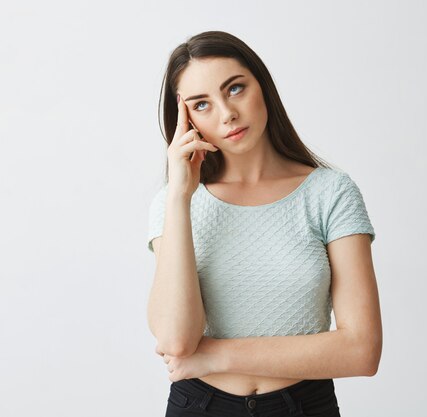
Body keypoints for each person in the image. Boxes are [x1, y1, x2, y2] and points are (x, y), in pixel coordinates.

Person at [147, 30, 382, 417]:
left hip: (304, 406)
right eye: (202, 104)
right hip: (199, 407)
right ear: (184, 120)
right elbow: (175, 340)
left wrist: (213, 357)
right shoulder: (174, 205)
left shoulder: (330, 192)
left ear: (262, 86)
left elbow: (362, 351)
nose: (227, 114)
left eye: (235, 89)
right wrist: (179, 197)